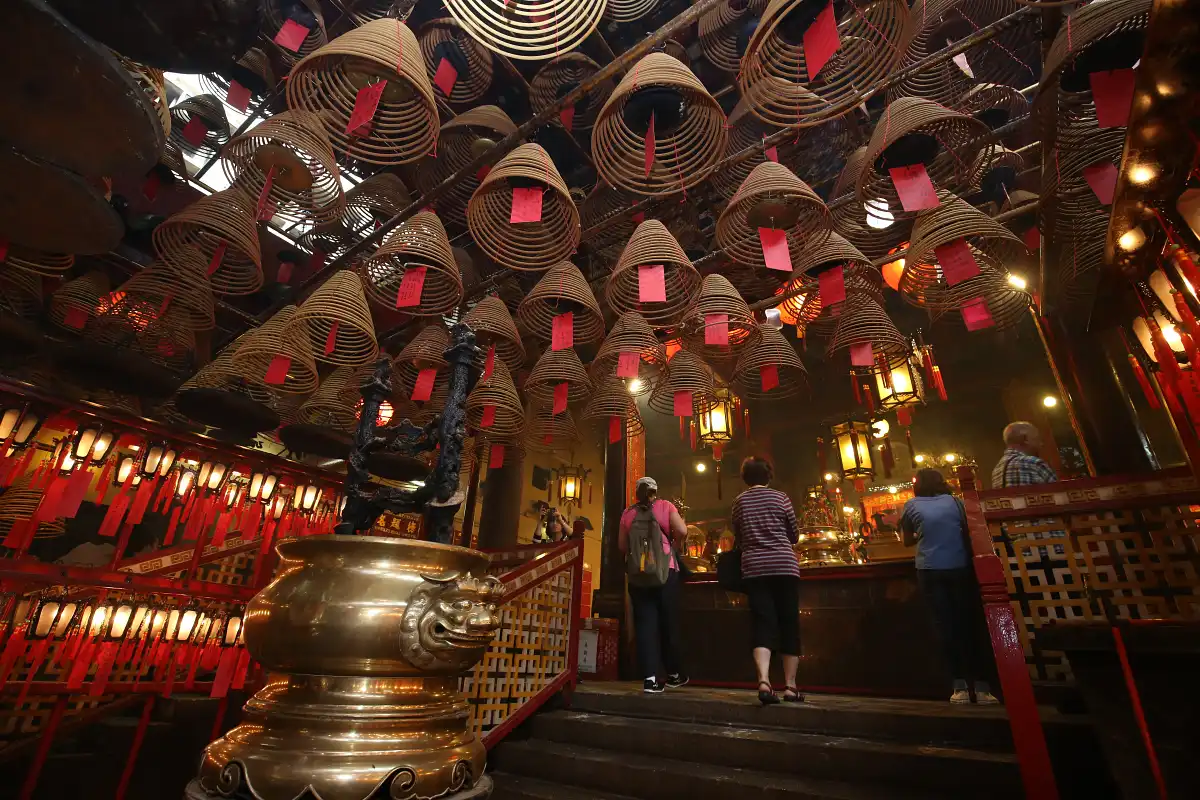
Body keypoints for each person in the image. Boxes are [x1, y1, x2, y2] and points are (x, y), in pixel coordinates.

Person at [900, 468, 998, 705]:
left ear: (918, 485)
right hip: (960, 567)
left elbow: (906, 540)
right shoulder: (956, 503)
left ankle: (959, 687)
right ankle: (984, 688)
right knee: (971, 624)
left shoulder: (911, 506)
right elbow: (970, 530)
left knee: (945, 627)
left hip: (931, 570)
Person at [730, 457, 802, 705]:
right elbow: (794, 534)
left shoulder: (739, 502)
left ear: (745, 478)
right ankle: (791, 687)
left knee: (763, 623)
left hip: (754, 569)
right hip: (784, 567)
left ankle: (764, 682)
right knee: (789, 624)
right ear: (768, 476)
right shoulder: (781, 498)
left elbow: (738, 537)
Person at [619, 476, 689, 693]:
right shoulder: (665, 507)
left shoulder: (627, 513)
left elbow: (622, 546)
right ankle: (674, 674)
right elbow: (684, 531)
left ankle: (650, 679)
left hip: (639, 576)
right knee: (668, 623)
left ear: (637, 493)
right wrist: (672, 546)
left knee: (645, 625)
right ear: (655, 491)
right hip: (665, 572)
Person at [991, 421, 1058, 488]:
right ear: (1025, 439)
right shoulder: (1033, 463)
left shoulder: (996, 470)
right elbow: (1060, 493)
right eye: (1037, 439)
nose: (1041, 444)